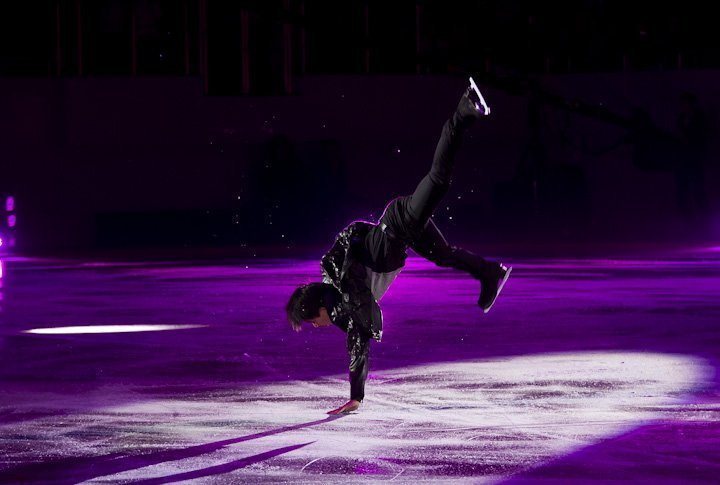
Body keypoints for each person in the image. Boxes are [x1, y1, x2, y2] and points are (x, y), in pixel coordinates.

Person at [286, 82, 512, 415]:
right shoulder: (342, 295)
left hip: (399, 224)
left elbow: (358, 337)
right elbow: (355, 329)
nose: (315, 327)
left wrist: (356, 396)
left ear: (319, 308)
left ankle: (463, 110)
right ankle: (490, 273)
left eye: (311, 321)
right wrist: (356, 394)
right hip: (399, 231)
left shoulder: (345, 290)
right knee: (443, 254)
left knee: (438, 181)